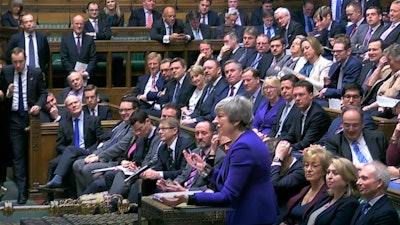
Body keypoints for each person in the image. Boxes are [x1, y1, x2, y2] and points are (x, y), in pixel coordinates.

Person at [160, 96, 279, 225]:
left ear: (236, 120)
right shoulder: (245, 140)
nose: (215, 121)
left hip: (251, 215)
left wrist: (188, 197)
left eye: (220, 116)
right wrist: (204, 169)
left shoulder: (244, 147)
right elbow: (228, 179)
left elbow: (228, 195)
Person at [0, 47, 46, 204]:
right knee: (18, 155)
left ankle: (33, 187)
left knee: (33, 154)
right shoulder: (6, 72)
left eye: (20, 62)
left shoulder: (36, 72)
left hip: (31, 117)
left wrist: (39, 105)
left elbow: (43, 93)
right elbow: (1, 95)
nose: (18, 65)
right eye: (15, 62)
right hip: (13, 118)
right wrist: (7, 94)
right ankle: (21, 192)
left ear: (25, 59)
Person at [39, 95, 104, 198]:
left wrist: (91, 151)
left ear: (81, 104)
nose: (74, 105)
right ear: (67, 108)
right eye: (70, 104)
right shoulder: (64, 123)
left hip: (88, 152)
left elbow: (100, 139)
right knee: (53, 163)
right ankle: (49, 197)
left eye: (76, 102)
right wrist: (69, 153)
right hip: (70, 155)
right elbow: (59, 145)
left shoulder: (93, 120)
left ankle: (58, 179)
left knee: (70, 150)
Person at [72, 95, 139, 195]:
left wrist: (99, 157)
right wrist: (95, 154)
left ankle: (92, 199)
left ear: (136, 110)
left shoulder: (135, 126)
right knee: (77, 164)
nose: (123, 113)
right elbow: (109, 142)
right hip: (106, 157)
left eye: (127, 110)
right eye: (121, 110)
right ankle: (81, 198)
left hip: (116, 161)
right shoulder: (122, 123)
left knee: (87, 169)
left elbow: (120, 146)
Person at [157, 121, 226, 192]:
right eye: (197, 133)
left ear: (214, 135)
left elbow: (211, 187)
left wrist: (185, 191)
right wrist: (171, 185)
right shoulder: (194, 152)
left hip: (197, 196)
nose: (200, 137)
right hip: (182, 191)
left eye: (204, 133)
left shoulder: (220, 157)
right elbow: (184, 175)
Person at [280, 145, 333, 225]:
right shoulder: (304, 189)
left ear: (325, 169)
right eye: (306, 165)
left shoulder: (329, 194)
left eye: (314, 166)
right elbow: (290, 217)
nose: (308, 169)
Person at [305, 157, 359, 225]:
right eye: (328, 172)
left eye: (335, 173)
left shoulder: (350, 204)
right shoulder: (326, 196)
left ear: (347, 179)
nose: (329, 177)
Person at [281, 81, 331, 152]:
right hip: (299, 149)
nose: (297, 98)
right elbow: (290, 135)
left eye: (301, 95)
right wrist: (281, 143)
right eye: (295, 95)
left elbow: (307, 143)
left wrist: (285, 148)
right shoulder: (298, 110)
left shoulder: (318, 114)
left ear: (311, 95)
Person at [181, 59, 228, 126]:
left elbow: (214, 114)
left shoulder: (223, 86)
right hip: (202, 119)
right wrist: (189, 117)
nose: (206, 71)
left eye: (209, 68)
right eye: (204, 69)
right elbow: (199, 109)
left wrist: (194, 120)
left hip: (211, 123)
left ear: (218, 70)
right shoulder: (209, 86)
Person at [271, 140, 308, 223]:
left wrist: (277, 160)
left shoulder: (301, 170)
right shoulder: (275, 167)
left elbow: (274, 186)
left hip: (285, 212)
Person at [317, 35, 361, 103]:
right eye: (334, 51)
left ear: (348, 51)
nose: (335, 54)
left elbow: (346, 90)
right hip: (336, 100)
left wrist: (327, 91)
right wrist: (329, 84)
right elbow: (335, 87)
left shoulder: (353, 65)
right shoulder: (335, 65)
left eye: (339, 51)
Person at [362, 43, 400, 118]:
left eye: (389, 60)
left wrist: (370, 107)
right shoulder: (387, 69)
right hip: (370, 103)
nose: (387, 62)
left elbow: (389, 96)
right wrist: (379, 67)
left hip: (383, 108)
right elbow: (369, 85)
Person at [60, 15, 97, 81]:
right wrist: (74, 73)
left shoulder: (89, 40)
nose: (79, 26)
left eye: (81, 24)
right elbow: (64, 59)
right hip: (71, 78)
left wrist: (86, 73)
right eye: (77, 24)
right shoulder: (65, 40)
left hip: (86, 78)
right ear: (72, 25)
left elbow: (93, 59)